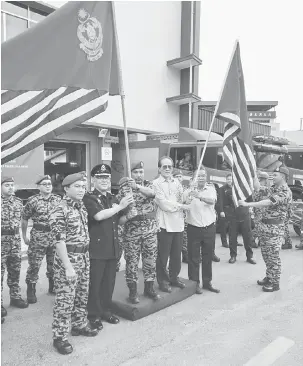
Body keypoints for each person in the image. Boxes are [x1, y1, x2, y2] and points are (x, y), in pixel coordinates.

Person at [50, 172, 97, 355]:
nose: (81, 190)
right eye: (77, 186)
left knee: (81, 295)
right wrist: (68, 267)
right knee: (65, 300)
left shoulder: (81, 207)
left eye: (83, 186)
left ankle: (79, 324)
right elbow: (58, 241)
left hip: (84, 258)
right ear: (66, 188)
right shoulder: (59, 208)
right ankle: (60, 337)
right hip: (68, 260)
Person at [83, 164, 133, 330]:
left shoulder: (112, 198)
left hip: (112, 247)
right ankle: (94, 315)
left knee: (109, 283)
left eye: (106, 177)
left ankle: (105, 310)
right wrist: (119, 207)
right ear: (93, 179)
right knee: (95, 284)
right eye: (100, 177)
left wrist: (128, 214)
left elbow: (118, 221)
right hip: (97, 249)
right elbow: (98, 216)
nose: (104, 180)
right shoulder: (89, 198)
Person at [239, 166, 292, 292]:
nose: (273, 176)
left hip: (274, 230)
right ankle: (269, 277)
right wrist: (253, 175)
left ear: (283, 177)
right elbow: (258, 189)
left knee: (273, 256)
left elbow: (268, 202)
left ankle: (275, 283)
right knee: (266, 255)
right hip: (265, 228)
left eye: (276, 174)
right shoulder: (273, 188)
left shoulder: (285, 191)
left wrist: (248, 204)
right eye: (273, 174)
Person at [119, 161, 160, 304]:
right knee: (132, 262)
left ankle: (149, 289)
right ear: (131, 173)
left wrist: (137, 187)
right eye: (136, 172)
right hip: (132, 231)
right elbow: (119, 208)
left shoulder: (148, 185)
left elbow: (152, 194)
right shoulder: (124, 188)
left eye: (141, 172)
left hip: (149, 229)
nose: (138, 175)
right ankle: (133, 292)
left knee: (150, 261)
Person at [153, 156, 191, 293]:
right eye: (164, 166)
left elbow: (182, 199)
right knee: (163, 255)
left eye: (170, 166)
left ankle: (174, 277)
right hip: (164, 224)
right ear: (159, 169)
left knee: (176, 254)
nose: (167, 169)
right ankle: (163, 281)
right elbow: (164, 204)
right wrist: (181, 206)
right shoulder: (155, 184)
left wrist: (188, 194)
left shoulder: (177, 182)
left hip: (178, 224)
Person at [21, 175, 61, 303]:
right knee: (34, 264)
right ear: (39, 187)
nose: (48, 186)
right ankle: (31, 289)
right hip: (38, 236)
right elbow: (24, 218)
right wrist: (24, 236)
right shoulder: (33, 200)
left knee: (54, 263)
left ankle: (52, 285)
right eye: (45, 184)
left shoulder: (58, 199)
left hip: (54, 236)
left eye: (49, 184)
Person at [184, 167, 220, 295]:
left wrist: (199, 196)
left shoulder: (211, 189)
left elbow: (212, 201)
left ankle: (207, 282)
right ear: (193, 178)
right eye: (199, 176)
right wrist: (189, 197)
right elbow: (184, 205)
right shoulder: (187, 191)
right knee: (193, 258)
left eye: (203, 175)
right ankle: (194, 283)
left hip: (209, 228)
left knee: (207, 256)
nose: (201, 178)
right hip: (193, 228)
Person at [1, 177, 28, 323]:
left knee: (15, 270)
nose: (10, 188)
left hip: (14, 241)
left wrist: (23, 236)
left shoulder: (18, 202)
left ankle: (15, 297)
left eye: (12, 185)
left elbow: (23, 219)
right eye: (7, 185)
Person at [219, 175, 256, 265]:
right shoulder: (226, 189)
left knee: (248, 237)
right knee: (232, 237)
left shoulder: (246, 188)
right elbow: (222, 201)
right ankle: (233, 256)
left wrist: (251, 210)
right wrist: (222, 211)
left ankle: (249, 256)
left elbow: (251, 201)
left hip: (245, 214)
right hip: (233, 215)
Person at [173, 169, 189, 263]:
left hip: (183, 216)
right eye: (176, 176)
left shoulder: (185, 188)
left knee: (184, 237)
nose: (179, 178)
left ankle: (185, 255)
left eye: (180, 176)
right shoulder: (171, 188)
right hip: (174, 217)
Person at [252, 171, 269, 247]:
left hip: (259, 209)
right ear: (265, 179)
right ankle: (252, 240)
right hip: (261, 210)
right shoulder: (263, 188)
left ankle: (259, 240)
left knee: (260, 226)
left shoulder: (257, 187)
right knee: (258, 226)